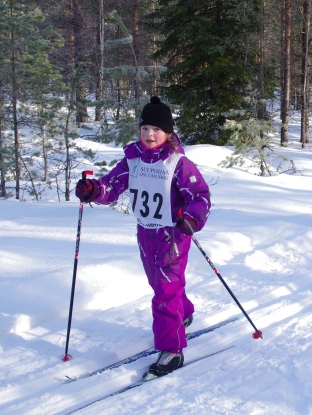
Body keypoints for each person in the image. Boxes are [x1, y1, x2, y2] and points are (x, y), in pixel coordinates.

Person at [74, 96, 211, 378]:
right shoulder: (132, 159)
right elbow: (111, 186)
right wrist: (92, 190)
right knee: (161, 285)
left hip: (172, 234)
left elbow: (200, 195)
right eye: (145, 128)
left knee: (164, 292)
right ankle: (183, 313)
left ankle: (172, 349)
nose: (150, 134)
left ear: (168, 133)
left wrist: (191, 218)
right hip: (145, 233)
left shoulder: (178, 163)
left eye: (156, 129)